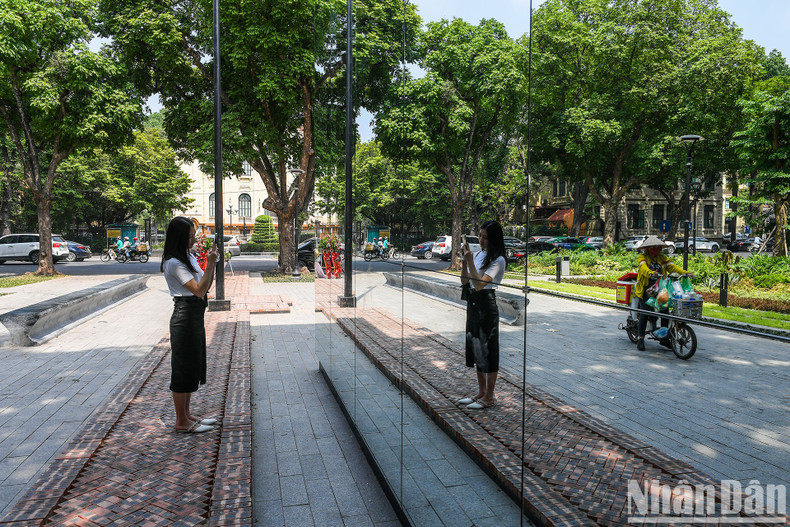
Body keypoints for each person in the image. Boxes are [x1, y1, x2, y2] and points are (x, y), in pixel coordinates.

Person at [161, 216, 219, 433]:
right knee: (183, 369)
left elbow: (205, 284)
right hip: (184, 317)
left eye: (194, 235)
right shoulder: (174, 263)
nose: (194, 239)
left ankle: (187, 415)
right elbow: (198, 290)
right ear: (179, 237)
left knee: (192, 365)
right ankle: (181, 421)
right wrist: (211, 262)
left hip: (194, 316)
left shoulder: (187, 257)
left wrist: (210, 265)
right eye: (190, 236)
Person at [458, 221, 507, 410]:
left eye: (485, 237)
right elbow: (465, 282)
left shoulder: (498, 259)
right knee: (476, 347)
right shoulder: (478, 255)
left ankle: (489, 396)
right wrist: (465, 261)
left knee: (489, 350)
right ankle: (481, 392)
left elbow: (480, 285)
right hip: (474, 304)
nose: (481, 240)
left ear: (494, 239)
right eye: (480, 236)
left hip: (486, 304)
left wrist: (469, 262)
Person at [634, 236, 686, 351]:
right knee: (644, 313)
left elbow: (672, 267)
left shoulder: (662, 258)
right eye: (654, 248)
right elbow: (643, 269)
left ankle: (664, 337)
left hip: (660, 289)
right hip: (647, 290)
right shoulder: (642, 257)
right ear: (648, 248)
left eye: (658, 248)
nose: (657, 250)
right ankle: (640, 338)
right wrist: (651, 273)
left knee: (665, 312)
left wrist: (685, 273)